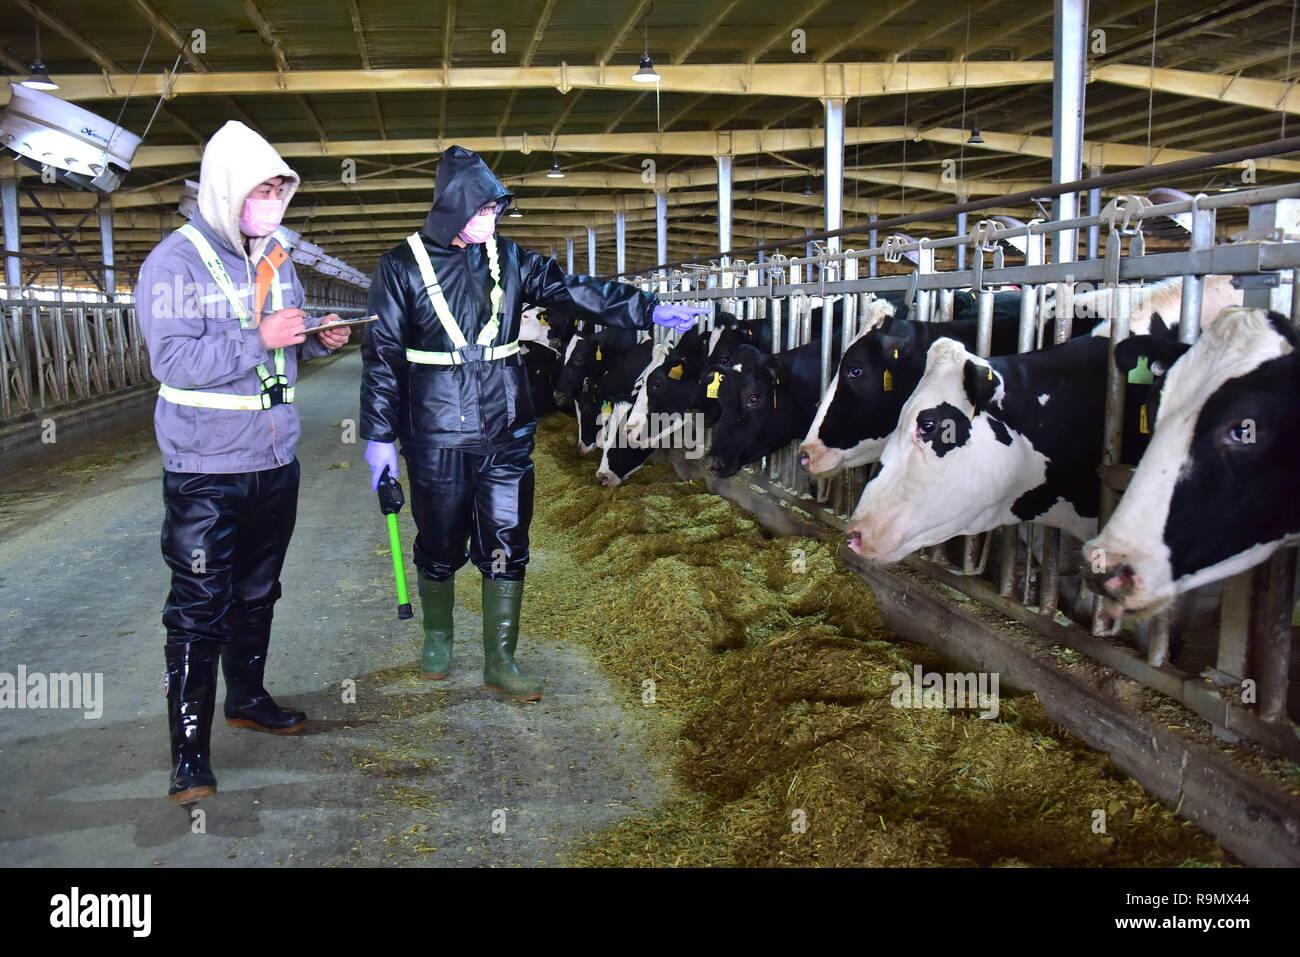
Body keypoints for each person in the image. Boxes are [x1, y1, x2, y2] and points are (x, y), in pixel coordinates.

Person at [361, 145, 703, 702]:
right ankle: (438, 640)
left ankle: (501, 658)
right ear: (450, 207)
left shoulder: (511, 258)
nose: (490, 222)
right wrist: (378, 434)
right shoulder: (400, 265)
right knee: (441, 537)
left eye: (496, 211)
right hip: (435, 428)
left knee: (506, 537)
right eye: (480, 211)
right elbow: (381, 356)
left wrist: (644, 308)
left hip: (505, 426)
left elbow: (574, 290)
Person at [136, 120, 353, 804]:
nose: (272, 202)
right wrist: (257, 336)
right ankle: (189, 754)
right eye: (262, 189)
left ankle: (247, 696)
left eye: (280, 190)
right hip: (205, 468)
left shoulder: (275, 258)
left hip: (273, 459)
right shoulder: (172, 264)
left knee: (259, 589)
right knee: (199, 607)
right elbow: (172, 361)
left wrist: (315, 340)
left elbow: (277, 353)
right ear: (228, 188)